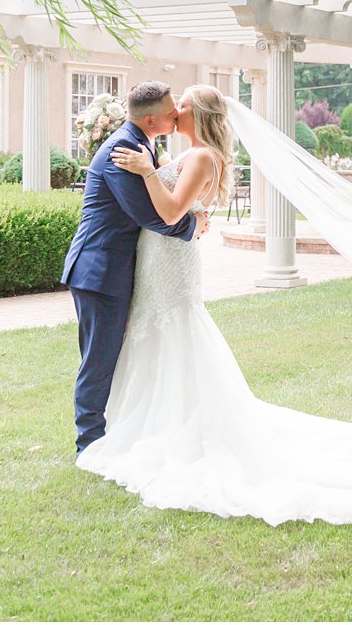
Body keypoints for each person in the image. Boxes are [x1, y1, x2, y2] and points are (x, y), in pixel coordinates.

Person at [75, 84, 352, 525]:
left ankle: (166, 434)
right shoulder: (182, 153)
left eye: (184, 106)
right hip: (160, 261)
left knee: (174, 338)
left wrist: (153, 175)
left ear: (200, 116)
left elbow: (170, 213)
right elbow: (174, 212)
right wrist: (170, 189)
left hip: (171, 265)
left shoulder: (195, 156)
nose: (176, 112)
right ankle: (150, 427)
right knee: (159, 342)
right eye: (173, 107)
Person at [61, 81, 209, 455]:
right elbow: (148, 216)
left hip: (116, 269)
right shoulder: (123, 149)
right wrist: (193, 226)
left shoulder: (144, 143)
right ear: (150, 119)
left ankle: (110, 433)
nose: (176, 114)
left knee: (110, 355)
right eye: (170, 111)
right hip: (99, 269)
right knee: (99, 359)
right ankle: (88, 445)